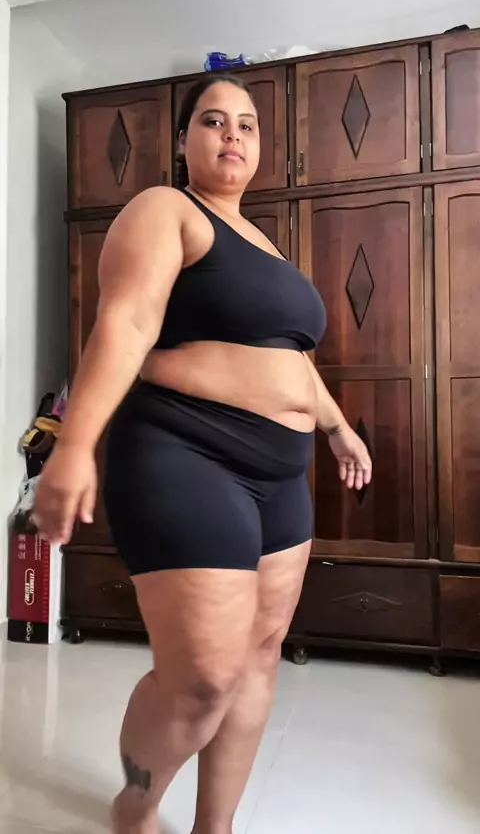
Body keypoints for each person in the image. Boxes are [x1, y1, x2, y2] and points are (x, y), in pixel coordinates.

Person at [33, 73, 372, 834]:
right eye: (214, 121)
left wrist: (335, 426)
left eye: (247, 125)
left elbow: (289, 357)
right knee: (202, 679)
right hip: (187, 449)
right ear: (183, 139)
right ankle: (136, 802)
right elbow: (125, 322)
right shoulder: (166, 210)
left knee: (258, 658)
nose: (233, 135)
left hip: (281, 474)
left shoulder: (268, 248)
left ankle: (213, 828)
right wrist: (75, 444)